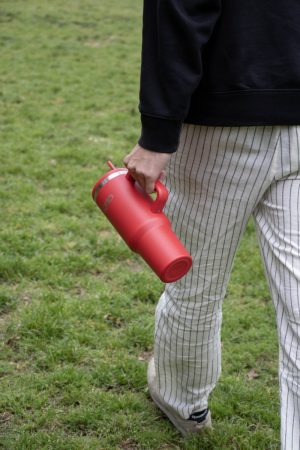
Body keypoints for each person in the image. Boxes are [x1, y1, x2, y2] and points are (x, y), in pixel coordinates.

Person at [123, 1, 300, 448]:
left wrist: (158, 133)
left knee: (194, 288)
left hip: (218, 125)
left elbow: (178, 9)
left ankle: (183, 405)